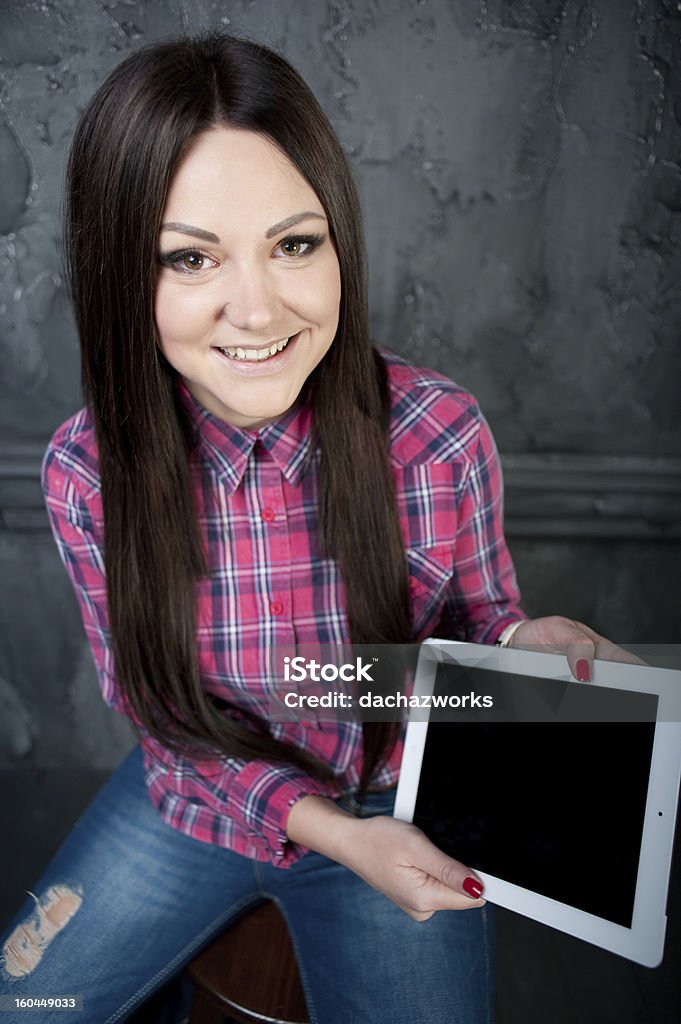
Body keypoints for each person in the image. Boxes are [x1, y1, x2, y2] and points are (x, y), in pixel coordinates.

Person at [0, 32, 624, 1024]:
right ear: (127, 271)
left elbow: (481, 613)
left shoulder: (437, 431)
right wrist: (329, 831)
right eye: (191, 257)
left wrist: (520, 643)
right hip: (198, 793)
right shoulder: (88, 471)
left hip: (400, 808)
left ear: (339, 239)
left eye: (296, 243)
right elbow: (159, 712)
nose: (259, 309)